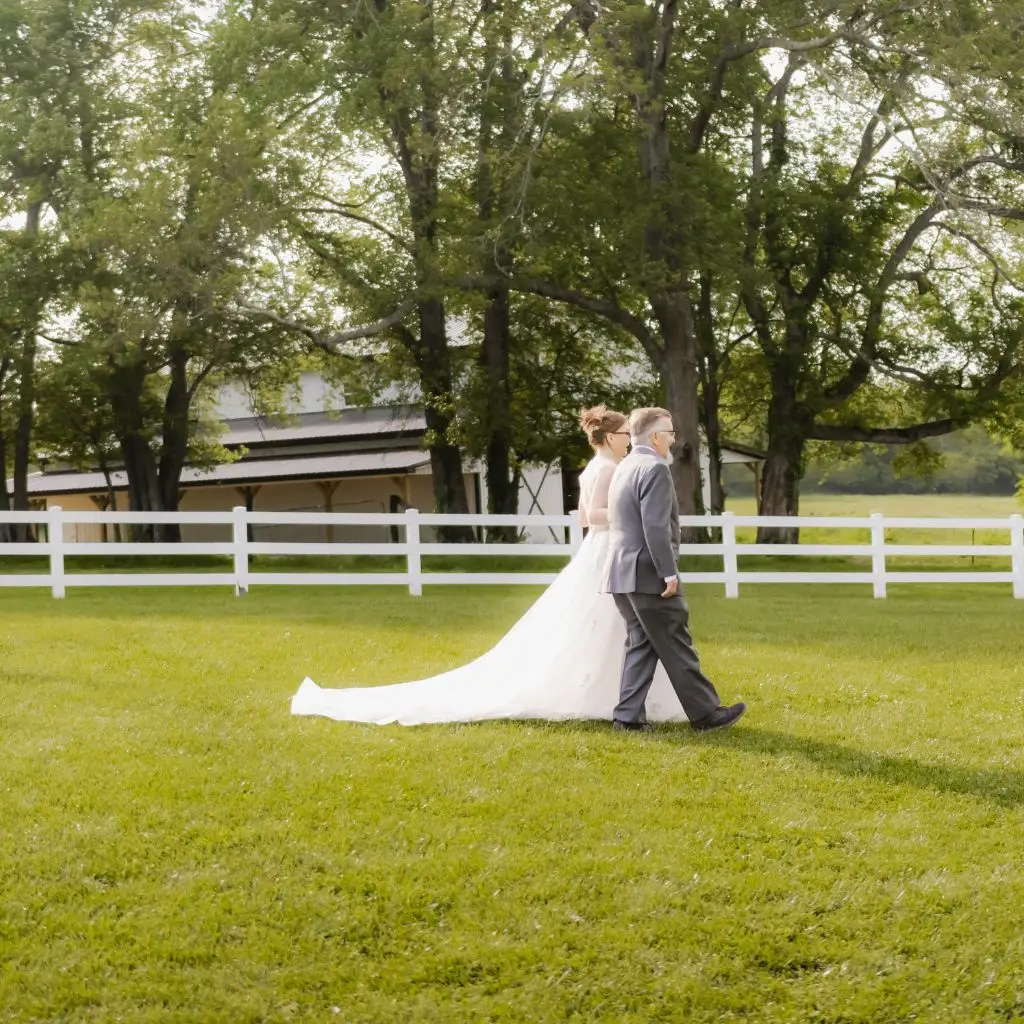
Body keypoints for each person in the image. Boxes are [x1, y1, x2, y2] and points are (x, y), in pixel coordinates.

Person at [290, 405, 688, 726]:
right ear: (610, 436)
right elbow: (588, 518)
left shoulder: (600, 469)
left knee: (622, 631)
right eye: (622, 436)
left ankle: (623, 701)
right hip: (609, 550)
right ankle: (618, 701)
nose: (626, 442)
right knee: (620, 630)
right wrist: (627, 517)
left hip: (606, 553)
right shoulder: (605, 468)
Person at [603, 407, 747, 733]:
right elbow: (654, 527)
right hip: (648, 573)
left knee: (641, 643)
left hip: (619, 572)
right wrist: (668, 572)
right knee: (675, 640)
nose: (673, 439)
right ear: (655, 436)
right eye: (670, 433)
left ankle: (627, 718)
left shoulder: (625, 466)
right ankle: (707, 714)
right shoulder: (654, 468)